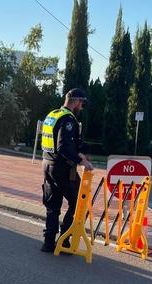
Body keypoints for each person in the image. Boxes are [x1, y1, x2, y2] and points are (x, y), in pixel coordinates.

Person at [40, 88, 94, 253]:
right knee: (80, 202)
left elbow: (57, 144)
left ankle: (48, 242)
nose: (82, 107)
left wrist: (79, 151)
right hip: (62, 168)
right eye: (82, 104)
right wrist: (82, 161)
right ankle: (64, 240)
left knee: (53, 203)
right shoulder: (68, 120)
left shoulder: (53, 115)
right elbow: (63, 147)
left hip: (47, 164)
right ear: (77, 102)